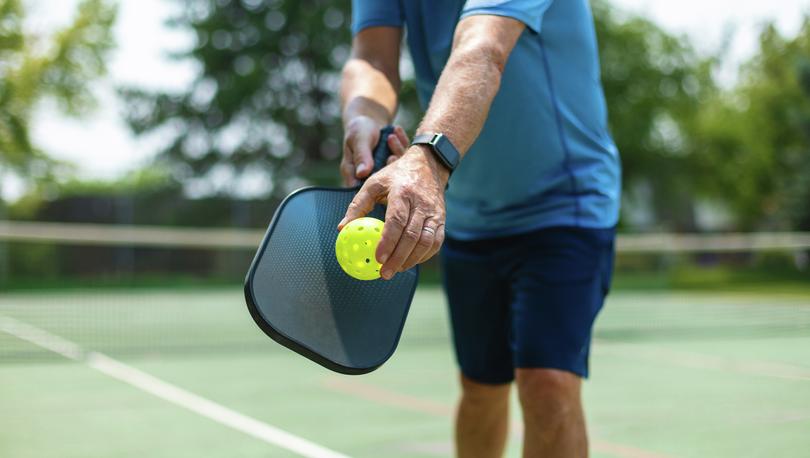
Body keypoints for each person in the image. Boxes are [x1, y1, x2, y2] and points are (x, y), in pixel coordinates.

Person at [338, 1, 621, 456]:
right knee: (481, 384)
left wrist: (427, 159)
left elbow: (483, 46)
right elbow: (371, 58)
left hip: (564, 204)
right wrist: (362, 118)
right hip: (470, 214)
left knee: (547, 381)